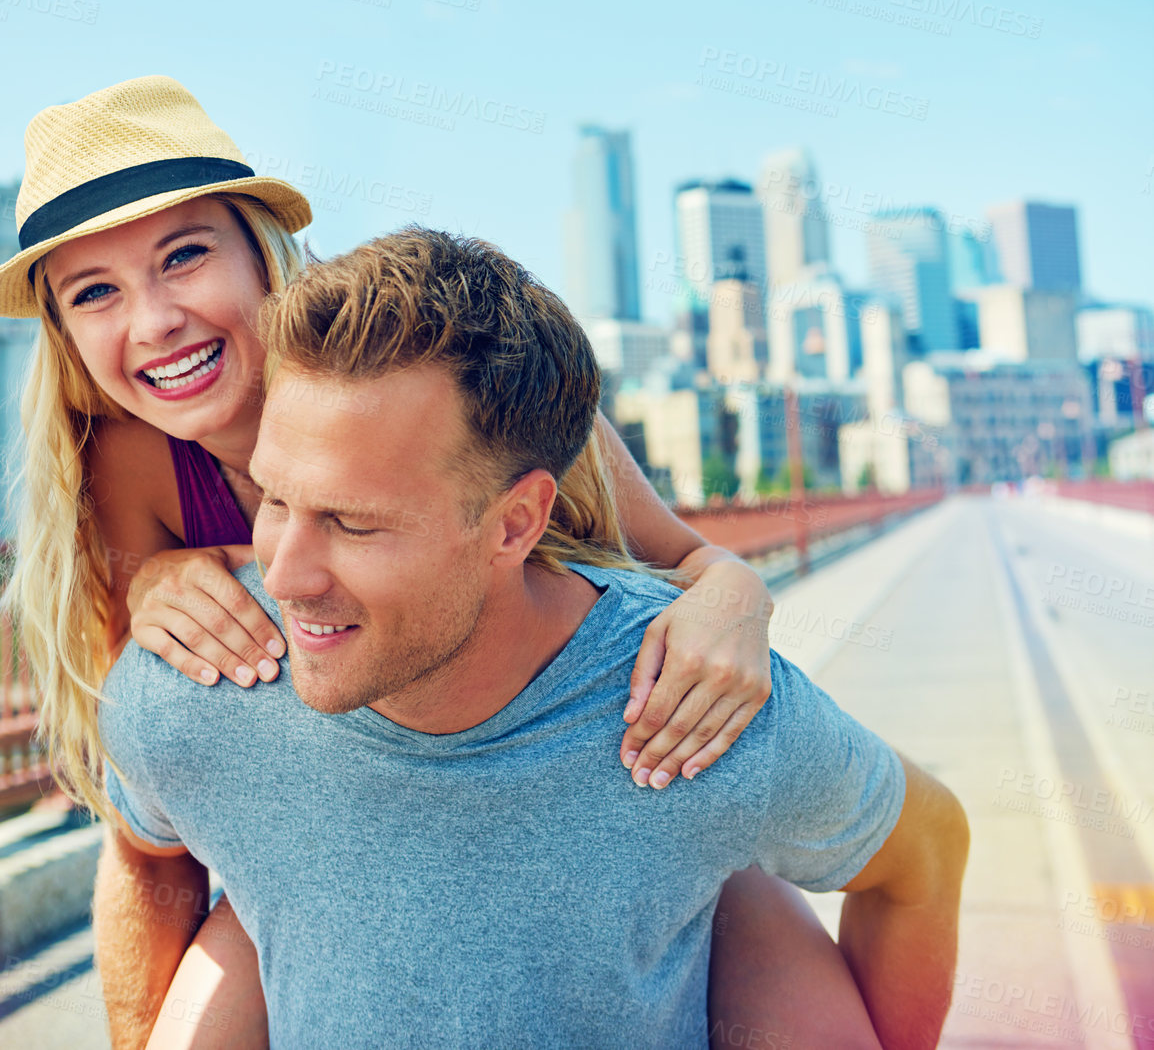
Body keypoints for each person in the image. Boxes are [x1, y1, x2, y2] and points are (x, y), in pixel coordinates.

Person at [1, 75, 868, 1045]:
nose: (154, 319)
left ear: (263, 253)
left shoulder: (458, 383)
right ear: (67, 336)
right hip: (325, 843)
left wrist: (736, 600)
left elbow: (694, 562)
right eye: (95, 293)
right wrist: (152, 577)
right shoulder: (131, 461)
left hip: (588, 789)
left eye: (185, 256)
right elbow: (160, 772)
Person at [97, 229, 968, 1050]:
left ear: (516, 525)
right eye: (274, 500)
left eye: (354, 525)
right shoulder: (192, 690)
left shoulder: (691, 709)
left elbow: (926, 849)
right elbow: (141, 848)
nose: (282, 576)